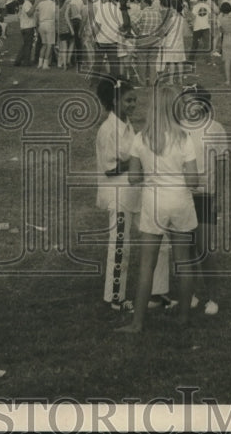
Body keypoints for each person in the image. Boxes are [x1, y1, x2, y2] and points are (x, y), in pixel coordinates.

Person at [117, 85, 197, 333]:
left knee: (146, 266)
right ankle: (183, 317)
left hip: (153, 203)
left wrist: (151, 178)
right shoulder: (184, 138)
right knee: (183, 262)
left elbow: (132, 178)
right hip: (180, 201)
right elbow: (193, 180)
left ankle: (137, 323)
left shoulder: (141, 138)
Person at [95, 79, 169, 312]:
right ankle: (115, 298)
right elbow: (109, 169)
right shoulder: (108, 130)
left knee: (160, 238)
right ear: (114, 101)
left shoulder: (126, 124)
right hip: (118, 196)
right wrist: (139, 161)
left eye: (134, 100)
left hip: (136, 193)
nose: (133, 104)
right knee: (120, 246)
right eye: (128, 100)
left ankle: (157, 293)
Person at [176, 84, 227, 316]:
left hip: (206, 195)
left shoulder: (215, 129)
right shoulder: (176, 128)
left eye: (192, 100)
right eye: (185, 101)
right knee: (185, 249)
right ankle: (192, 294)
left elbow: (222, 164)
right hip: (183, 194)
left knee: (204, 248)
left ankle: (213, 297)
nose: (188, 105)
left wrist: (219, 195)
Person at [14, 0, 37, 66]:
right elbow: (29, 13)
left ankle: (18, 61)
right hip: (27, 27)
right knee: (28, 46)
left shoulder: (28, 3)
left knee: (26, 45)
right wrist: (35, 5)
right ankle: (26, 62)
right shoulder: (27, 4)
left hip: (26, 27)